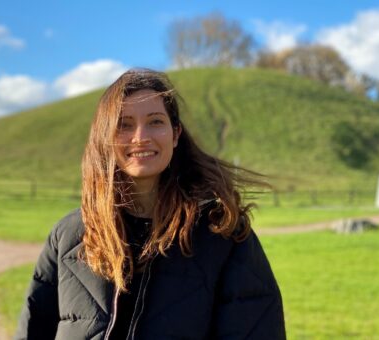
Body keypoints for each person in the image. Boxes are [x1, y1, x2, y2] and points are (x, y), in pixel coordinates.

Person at [15, 69, 285, 339]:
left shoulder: (222, 234)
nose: (140, 136)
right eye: (124, 124)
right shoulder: (69, 235)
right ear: (105, 137)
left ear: (175, 134)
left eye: (155, 122)